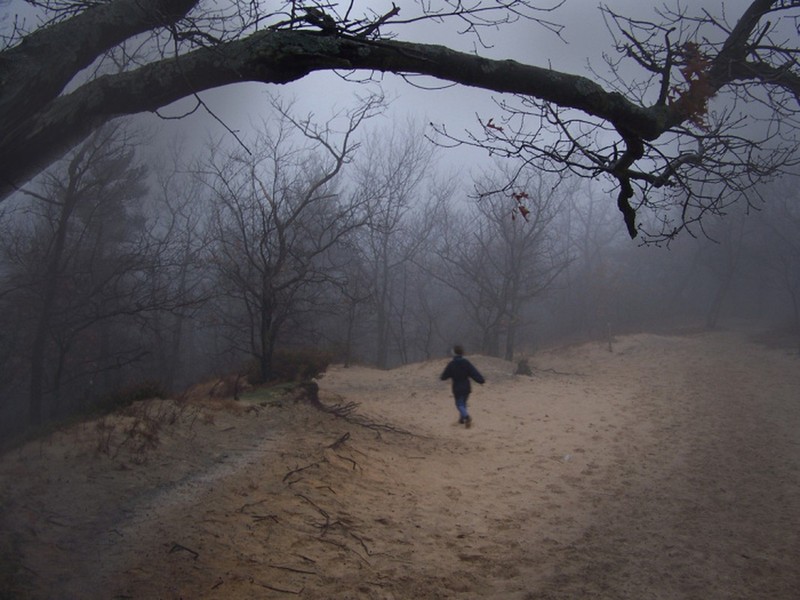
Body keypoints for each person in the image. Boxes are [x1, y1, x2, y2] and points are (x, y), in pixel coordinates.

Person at [440, 344, 485, 428]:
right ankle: (462, 420)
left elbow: (444, 376)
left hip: (457, 387)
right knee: (463, 403)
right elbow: (473, 372)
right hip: (467, 387)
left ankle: (467, 417)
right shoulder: (466, 362)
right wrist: (480, 380)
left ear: (453, 353)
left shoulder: (452, 364)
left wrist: (443, 377)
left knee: (459, 404)